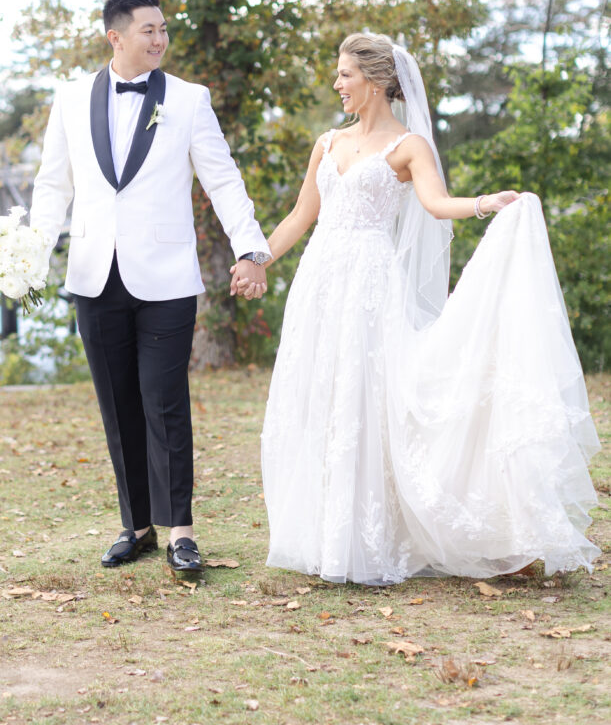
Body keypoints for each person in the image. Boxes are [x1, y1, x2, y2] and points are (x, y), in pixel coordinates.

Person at [249, 33, 600, 585]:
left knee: (369, 398)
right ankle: (325, 534)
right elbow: (299, 216)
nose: (337, 84)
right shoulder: (328, 143)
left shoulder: (409, 145)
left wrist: (489, 203)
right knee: (321, 393)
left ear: (377, 81)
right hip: (319, 282)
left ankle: (374, 537)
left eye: (345, 74)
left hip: (369, 284)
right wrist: (258, 259)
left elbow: (436, 205)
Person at [30, 0, 271, 572]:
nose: (160, 39)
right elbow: (52, 186)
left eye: (163, 29)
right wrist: (31, 256)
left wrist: (251, 249)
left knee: (165, 404)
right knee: (117, 406)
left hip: (166, 278)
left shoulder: (189, 100)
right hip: (94, 274)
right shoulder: (68, 100)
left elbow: (222, 178)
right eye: (148, 30)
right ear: (116, 37)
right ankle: (135, 524)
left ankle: (180, 532)